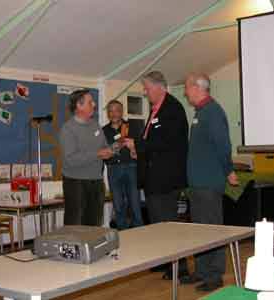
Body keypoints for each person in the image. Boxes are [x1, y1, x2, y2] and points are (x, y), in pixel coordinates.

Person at [123, 70, 189, 279]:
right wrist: (137, 150)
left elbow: (167, 143)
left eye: (147, 88)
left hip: (166, 178)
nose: (145, 92)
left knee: (168, 224)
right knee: (159, 225)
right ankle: (166, 262)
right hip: (154, 178)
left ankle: (180, 267)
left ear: (160, 87)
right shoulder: (156, 109)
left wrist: (138, 144)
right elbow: (153, 142)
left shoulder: (173, 109)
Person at [181, 73, 238, 292]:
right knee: (200, 231)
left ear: (197, 88)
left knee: (212, 229)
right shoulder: (201, 112)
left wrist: (229, 171)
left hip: (208, 183)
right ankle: (202, 271)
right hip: (197, 184)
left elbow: (223, 145)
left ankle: (214, 275)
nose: (186, 92)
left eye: (187, 88)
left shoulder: (213, 112)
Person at [60, 89, 113, 226]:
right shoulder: (68, 129)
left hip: (96, 181)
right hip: (76, 183)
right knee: (76, 224)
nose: (94, 104)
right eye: (90, 102)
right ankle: (75, 248)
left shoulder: (95, 125)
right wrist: (98, 154)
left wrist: (112, 150)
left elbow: (104, 147)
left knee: (94, 223)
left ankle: (90, 248)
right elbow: (71, 159)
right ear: (79, 105)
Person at [102, 99, 143, 230]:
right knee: (118, 205)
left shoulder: (132, 127)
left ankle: (140, 233)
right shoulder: (103, 131)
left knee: (135, 203)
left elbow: (142, 147)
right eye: (111, 111)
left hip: (131, 168)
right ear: (108, 113)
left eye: (117, 111)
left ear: (122, 112)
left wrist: (134, 149)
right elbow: (102, 153)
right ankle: (123, 235)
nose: (114, 114)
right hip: (113, 169)